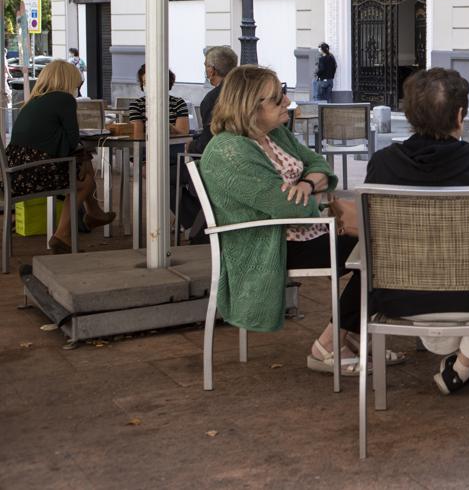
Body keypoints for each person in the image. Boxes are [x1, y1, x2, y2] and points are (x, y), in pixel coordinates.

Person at [355, 68, 469, 394]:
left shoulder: (382, 163)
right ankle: (465, 362)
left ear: (408, 115)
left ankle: (461, 360)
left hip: (402, 297)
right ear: (461, 115)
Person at [198, 65, 371, 375]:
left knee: (380, 243)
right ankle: (330, 345)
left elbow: (320, 166)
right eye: (277, 99)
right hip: (269, 244)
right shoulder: (229, 152)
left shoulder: (275, 134)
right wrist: (311, 193)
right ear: (251, 107)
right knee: (378, 251)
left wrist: (306, 185)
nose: (287, 101)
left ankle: (349, 339)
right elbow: (287, 208)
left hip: (307, 233)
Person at [5, 60, 114, 253]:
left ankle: (94, 213)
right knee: (85, 182)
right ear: (68, 80)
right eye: (77, 84)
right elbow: (72, 140)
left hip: (15, 173)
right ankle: (62, 234)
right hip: (36, 173)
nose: (77, 89)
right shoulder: (64, 100)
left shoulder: (34, 100)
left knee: (84, 164)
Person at [177, 46, 238, 241]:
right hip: (232, 160)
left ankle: (198, 221)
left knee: (162, 176)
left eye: (205, 66)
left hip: (218, 163)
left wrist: (192, 146)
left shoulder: (214, 97)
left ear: (211, 70)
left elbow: (211, 139)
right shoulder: (239, 91)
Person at [127, 65, 190, 137]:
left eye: (154, 82)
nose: (150, 86)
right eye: (145, 82)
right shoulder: (136, 105)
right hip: (146, 147)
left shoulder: (178, 103)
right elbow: (137, 136)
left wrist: (165, 126)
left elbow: (183, 134)